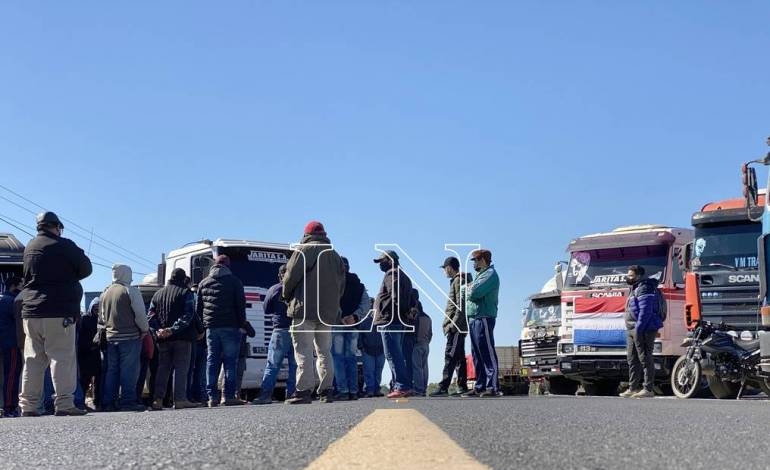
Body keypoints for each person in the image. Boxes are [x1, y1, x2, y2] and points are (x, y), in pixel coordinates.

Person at [19, 211, 92, 417]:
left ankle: (28, 405)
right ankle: (64, 403)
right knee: (61, 357)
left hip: (31, 311)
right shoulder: (64, 245)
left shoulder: (29, 247)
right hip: (58, 311)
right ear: (56, 226)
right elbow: (86, 268)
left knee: (33, 360)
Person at [282, 221, 345, 405]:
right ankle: (326, 390)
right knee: (324, 352)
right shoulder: (335, 255)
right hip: (327, 313)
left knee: (304, 351)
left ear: (306, 234)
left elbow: (290, 277)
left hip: (305, 309)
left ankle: (303, 391)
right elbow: (341, 285)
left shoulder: (304, 250)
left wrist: (286, 296)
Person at [147, 268, 200, 410]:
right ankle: (180, 399)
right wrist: (172, 329)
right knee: (181, 368)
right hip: (182, 337)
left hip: (162, 338)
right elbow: (188, 315)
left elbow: (150, 316)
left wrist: (159, 330)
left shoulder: (157, 294)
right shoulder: (186, 293)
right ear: (183, 279)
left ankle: (158, 400)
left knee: (163, 369)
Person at [99, 264, 150, 412]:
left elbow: (102, 317)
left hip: (110, 337)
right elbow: (140, 314)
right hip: (130, 337)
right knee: (129, 371)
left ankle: (109, 402)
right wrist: (144, 330)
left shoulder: (105, 292)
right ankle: (127, 401)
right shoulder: (131, 290)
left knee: (112, 371)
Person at [198, 254, 246, 407]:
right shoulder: (235, 282)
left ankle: (212, 397)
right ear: (228, 266)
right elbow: (240, 305)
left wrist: (203, 326)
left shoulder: (204, 283)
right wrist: (242, 324)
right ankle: (229, 396)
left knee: (212, 361)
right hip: (231, 326)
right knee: (230, 362)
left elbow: (199, 308)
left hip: (211, 328)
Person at [252, 264, 297, 405]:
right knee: (295, 365)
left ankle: (265, 395)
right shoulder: (299, 288)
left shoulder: (274, 289)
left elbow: (266, 309)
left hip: (280, 330)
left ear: (279, 276)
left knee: (272, 364)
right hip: (297, 330)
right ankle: (292, 394)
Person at [372, 250, 414, 399]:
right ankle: (401, 385)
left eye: (382, 261)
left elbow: (396, 296)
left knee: (392, 354)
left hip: (390, 319)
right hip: (398, 320)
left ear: (390, 261)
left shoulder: (391, 274)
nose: (380, 265)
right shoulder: (404, 275)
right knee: (397, 354)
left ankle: (402, 386)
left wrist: (395, 309)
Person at [620, 265, 663, 399]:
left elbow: (645, 311)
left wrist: (639, 329)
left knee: (645, 358)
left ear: (638, 276)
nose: (628, 278)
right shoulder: (635, 288)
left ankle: (648, 389)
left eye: (631, 275)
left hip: (644, 329)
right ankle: (633, 388)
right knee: (632, 359)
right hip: (632, 328)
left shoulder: (645, 288)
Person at [462, 249, 500, 398]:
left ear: (483, 260)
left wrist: (468, 289)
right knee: (476, 354)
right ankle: (480, 386)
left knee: (486, 351)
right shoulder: (480, 276)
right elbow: (464, 292)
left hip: (484, 316)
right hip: (474, 317)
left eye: (476, 260)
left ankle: (492, 386)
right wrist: (468, 289)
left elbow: (474, 292)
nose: (474, 263)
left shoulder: (490, 275)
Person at [431, 257, 471, 397]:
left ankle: (443, 387)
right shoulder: (457, 280)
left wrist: (453, 325)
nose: (444, 272)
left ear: (449, 268)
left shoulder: (458, 281)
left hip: (456, 326)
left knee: (450, 355)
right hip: (459, 326)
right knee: (459, 357)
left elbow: (461, 305)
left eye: (444, 269)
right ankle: (462, 387)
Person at [332, 257, 369, 401]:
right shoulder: (359, 285)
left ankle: (343, 390)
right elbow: (366, 305)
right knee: (351, 358)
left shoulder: (334, 283)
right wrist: (354, 316)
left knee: (338, 358)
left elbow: (330, 303)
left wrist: (340, 317)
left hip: (338, 325)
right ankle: (353, 390)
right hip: (353, 326)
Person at [0, 276, 23, 417]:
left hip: (4, 341)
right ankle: (10, 406)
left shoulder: (3, 299)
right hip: (11, 342)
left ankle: (6, 405)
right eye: (21, 285)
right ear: (14, 286)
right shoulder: (12, 302)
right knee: (12, 375)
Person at [78, 297, 102, 410]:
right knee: (85, 379)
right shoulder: (85, 319)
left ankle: (97, 401)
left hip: (97, 353)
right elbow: (81, 337)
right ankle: (81, 402)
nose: (97, 311)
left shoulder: (101, 320)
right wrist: (89, 346)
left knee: (98, 379)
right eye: (95, 308)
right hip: (85, 354)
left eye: (99, 309)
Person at [357, 307, 385, 398]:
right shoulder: (365, 322)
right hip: (367, 350)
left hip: (381, 350)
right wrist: (361, 347)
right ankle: (369, 390)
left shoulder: (383, 321)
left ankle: (376, 389)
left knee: (378, 371)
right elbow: (360, 334)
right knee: (369, 371)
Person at [411, 290, 432, 397]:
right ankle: (424, 388)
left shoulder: (416, 318)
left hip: (417, 344)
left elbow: (414, 331)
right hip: (426, 344)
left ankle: (419, 389)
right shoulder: (428, 318)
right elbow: (430, 333)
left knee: (417, 367)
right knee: (425, 367)